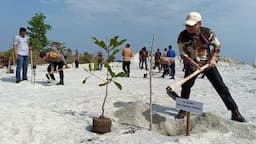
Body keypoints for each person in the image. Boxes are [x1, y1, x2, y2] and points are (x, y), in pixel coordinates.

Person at [176, 11, 246, 122]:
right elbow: (182, 53)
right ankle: (182, 110)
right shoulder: (182, 36)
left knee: (221, 87)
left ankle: (235, 112)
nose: (189, 27)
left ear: (199, 23)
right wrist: (191, 62)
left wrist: (213, 58)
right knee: (186, 87)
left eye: (192, 25)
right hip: (192, 65)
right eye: (187, 25)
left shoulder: (208, 32)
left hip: (208, 64)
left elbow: (217, 46)